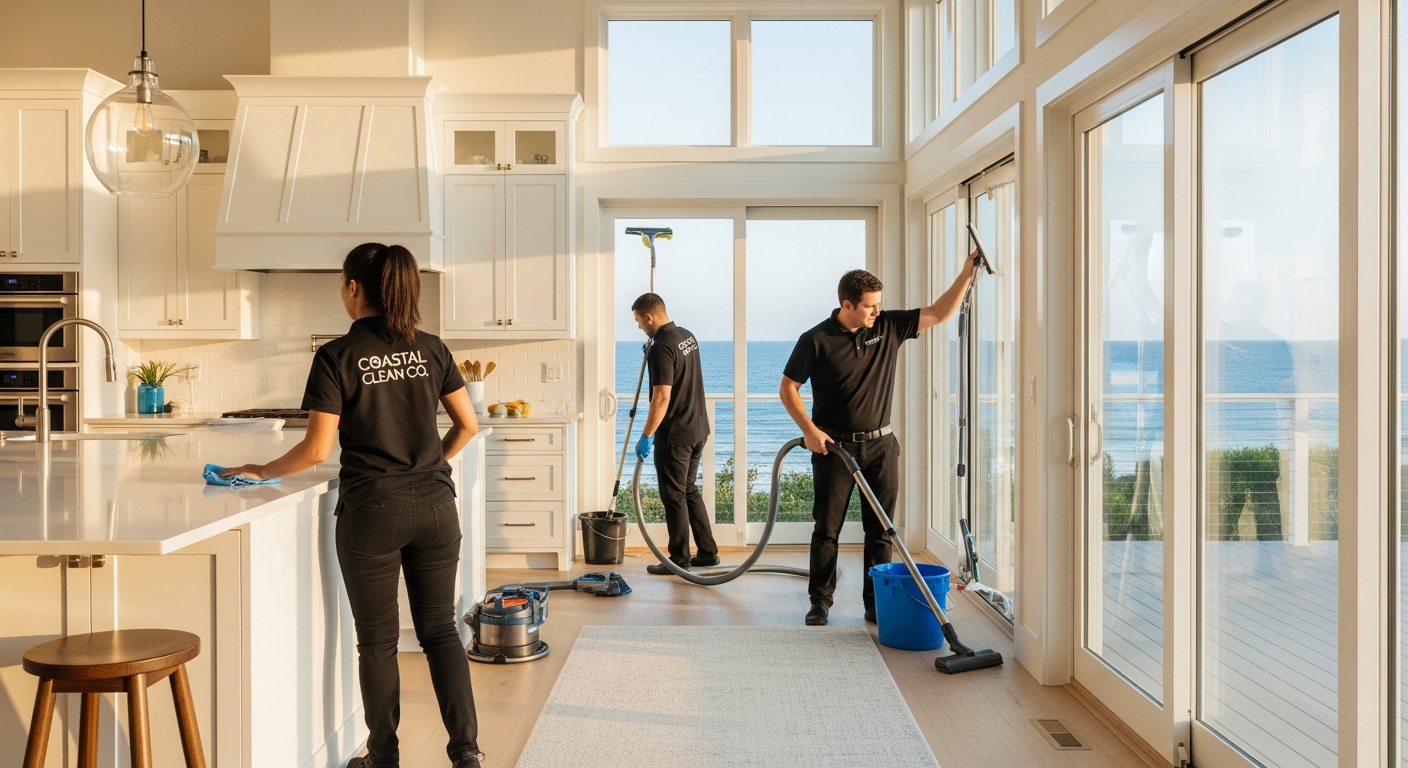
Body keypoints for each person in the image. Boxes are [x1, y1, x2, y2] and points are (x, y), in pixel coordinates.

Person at [219, 243, 484, 768]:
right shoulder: (432, 348)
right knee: (440, 632)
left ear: (353, 287)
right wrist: (431, 464)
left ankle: (383, 758)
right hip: (437, 507)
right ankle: (467, 755)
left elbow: (317, 449)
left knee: (378, 641)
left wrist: (261, 470)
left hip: (372, 513)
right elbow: (468, 425)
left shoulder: (336, 356)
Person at [781, 259, 982, 626]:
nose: (877, 311)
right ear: (847, 305)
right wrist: (810, 430)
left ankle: (875, 605)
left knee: (881, 530)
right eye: (870, 306)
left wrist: (968, 272)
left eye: (878, 304)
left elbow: (939, 313)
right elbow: (788, 388)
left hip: (881, 447)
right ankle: (820, 602)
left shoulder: (888, 326)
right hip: (835, 449)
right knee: (827, 529)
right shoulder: (815, 340)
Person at [631, 292, 719, 574]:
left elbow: (661, 397)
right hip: (698, 428)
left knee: (673, 496)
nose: (639, 327)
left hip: (676, 435)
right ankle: (708, 553)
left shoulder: (662, 348)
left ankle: (679, 561)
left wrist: (647, 435)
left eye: (639, 321)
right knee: (689, 489)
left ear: (649, 317)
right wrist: (653, 352)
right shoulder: (686, 336)